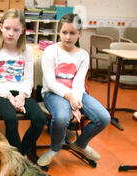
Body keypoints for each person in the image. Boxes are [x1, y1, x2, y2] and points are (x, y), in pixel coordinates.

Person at [37, 13, 110, 167]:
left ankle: (80, 144)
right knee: (62, 117)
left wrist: (75, 101)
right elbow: (50, 82)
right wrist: (71, 100)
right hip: (54, 93)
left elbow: (79, 81)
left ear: (80, 33)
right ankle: (54, 149)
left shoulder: (83, 55)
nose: (68, 37)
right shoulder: (51, 51)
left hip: (77, 94)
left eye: (72, 33)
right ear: (59, 32)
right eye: (64, 33)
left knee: (104, 118)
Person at [0, 8, 46, 159]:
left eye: (16, 29)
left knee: (40, 119)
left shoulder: (27, 51)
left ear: (23, 31)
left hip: (21, 93)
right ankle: (19, 159)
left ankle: (21, 153)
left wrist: (22, 95)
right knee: (11, 119)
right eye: (7, 28)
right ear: (0, 27)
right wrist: (9, 98)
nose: (11, 33)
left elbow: (28, 79)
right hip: (0, 95)